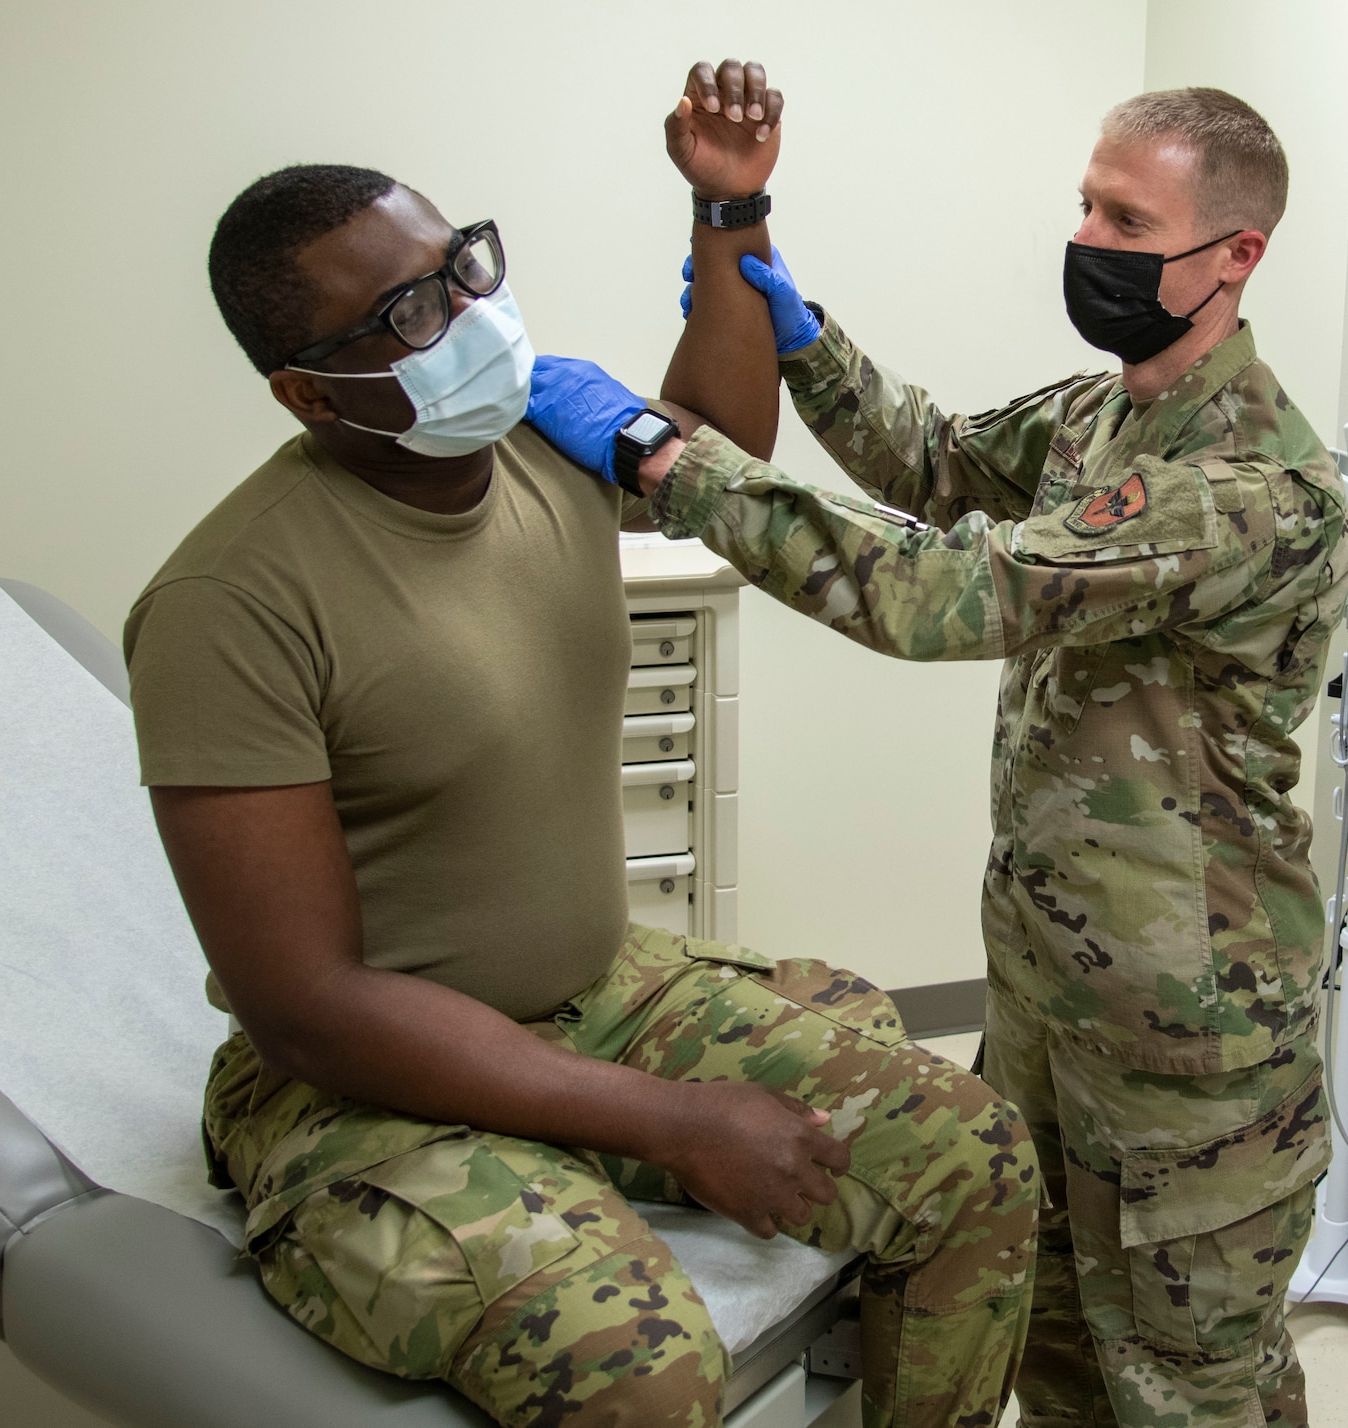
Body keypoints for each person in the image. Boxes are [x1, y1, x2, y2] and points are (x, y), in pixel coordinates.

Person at [124, 144, 1039, 1426]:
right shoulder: (230, 605)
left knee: (973, 1155)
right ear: (309, 394)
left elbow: (712, 438)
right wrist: (667, 1121)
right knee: (641, 1368)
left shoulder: (535, 451)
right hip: (358, 1090)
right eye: (406, 313)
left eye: (462, 268)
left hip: (594, 994)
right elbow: (307, 1007)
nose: (466, 316)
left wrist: (727, 210)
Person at [528, 65, 1348, 1428]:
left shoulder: (1247, 493)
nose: (1089, 241)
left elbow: (938, 593)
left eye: (1129, 224)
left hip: (1186, 1042)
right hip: (1045, 990)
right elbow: (934, 460)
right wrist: (793, 318)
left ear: (1236, 256)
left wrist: (666, 460)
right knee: (1063, 1354)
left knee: (1188, 1390)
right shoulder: (1106, 417)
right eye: (1087, 205)